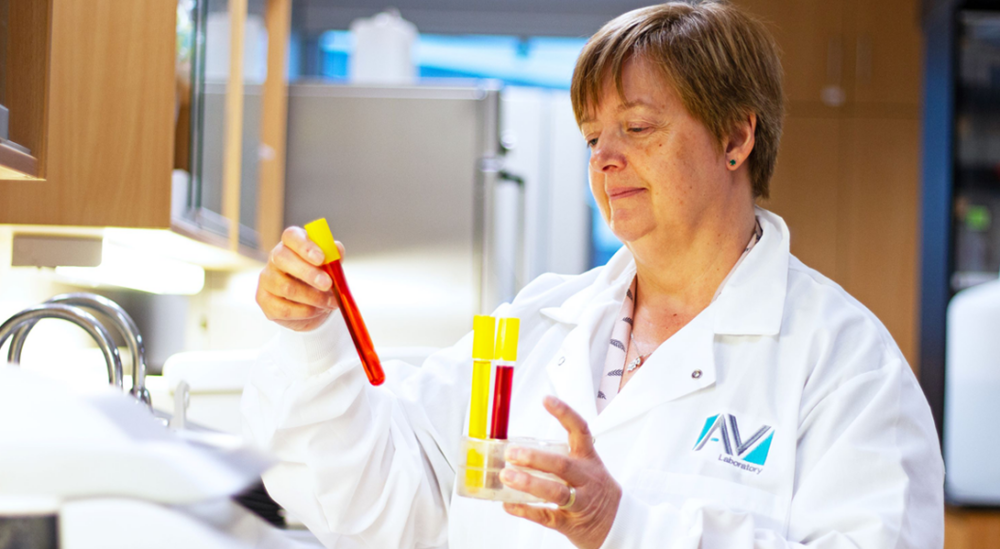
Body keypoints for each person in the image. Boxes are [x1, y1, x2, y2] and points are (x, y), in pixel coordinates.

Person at [242, 2, 945, 548]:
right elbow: (375, 501)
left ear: (736, 137)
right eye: (591, 136)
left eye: (638, 128)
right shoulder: (536, 328)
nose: (604, 157)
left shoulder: (845, 363)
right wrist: (312, 339)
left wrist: (624, 525)